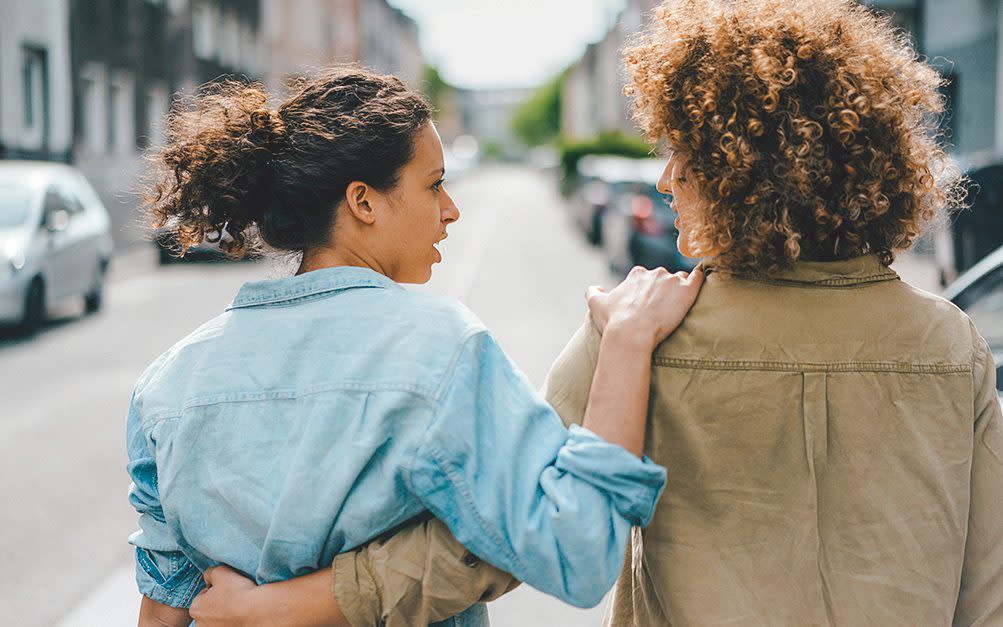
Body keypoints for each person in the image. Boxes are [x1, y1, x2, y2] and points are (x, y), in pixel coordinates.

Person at [193, 0, 1003, 625]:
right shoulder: (952, 345)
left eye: (683, 152)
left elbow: (494, 537)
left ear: (734, 168)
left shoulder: (638, 330)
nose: (662, 180)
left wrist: (287, 605)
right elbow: (987, 588)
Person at [128, 67, 706, 627]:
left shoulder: (166, 384)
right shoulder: (438, 348)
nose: (451, 209)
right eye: (433, 184)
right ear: (364, 202)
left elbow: (164, 607)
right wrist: (627, 343)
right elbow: (575, 551)